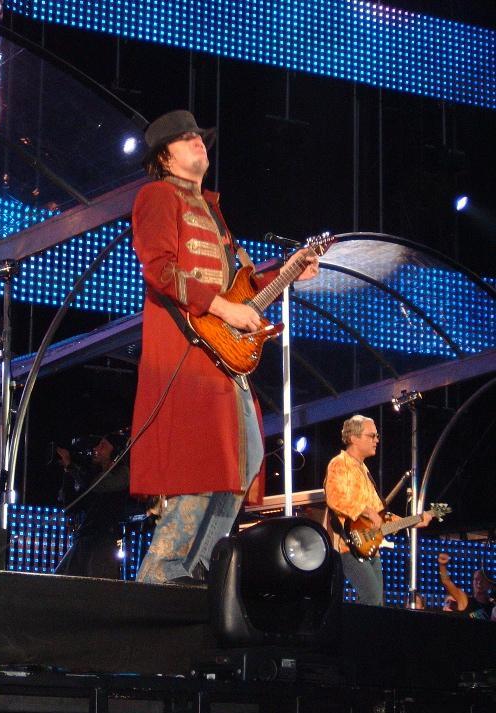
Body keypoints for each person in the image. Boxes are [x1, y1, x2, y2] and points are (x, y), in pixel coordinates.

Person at [129, 109, 319, 585]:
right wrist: (223, 309)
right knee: (200, 466)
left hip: (221, 355)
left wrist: (288, 271)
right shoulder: (157, 195)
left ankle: (194, 569)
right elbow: (159, 269)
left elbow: (242, 284)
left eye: (199, 136)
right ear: (164, 157)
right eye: (186, 138)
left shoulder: (213, 211)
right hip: (187, 351)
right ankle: (160, 574)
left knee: (242, 462)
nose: (199, 142)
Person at [324, 414, 431, 606]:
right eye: (371, 436)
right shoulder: (339, 464)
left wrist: (414, 520)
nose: (376, 440)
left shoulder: (364, 471)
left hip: (370, 547)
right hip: (349, 546)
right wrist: (366, 511)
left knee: (376, 603)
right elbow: (335, 498)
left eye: (377, 436)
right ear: (353, 438)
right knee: (371, 599)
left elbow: (382, 517)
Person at [55, 433, 135, 579]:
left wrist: (72, 467)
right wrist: (67, 471)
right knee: (61, 580)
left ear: (116, 453)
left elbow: (98, 485)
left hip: (104, 540)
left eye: (103, 446)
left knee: (98, 585)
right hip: (85, 537)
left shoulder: (123, 474)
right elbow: (72, 505)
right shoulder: (94, 473)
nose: (96, 449)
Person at [438, 553, 495, 620]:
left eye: (483, 580)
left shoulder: (493, 606)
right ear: (473, 582)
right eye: (476, 579)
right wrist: (442, 566)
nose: (479, 583)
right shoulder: (465, 600)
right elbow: (447, 582)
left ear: (489, 584)